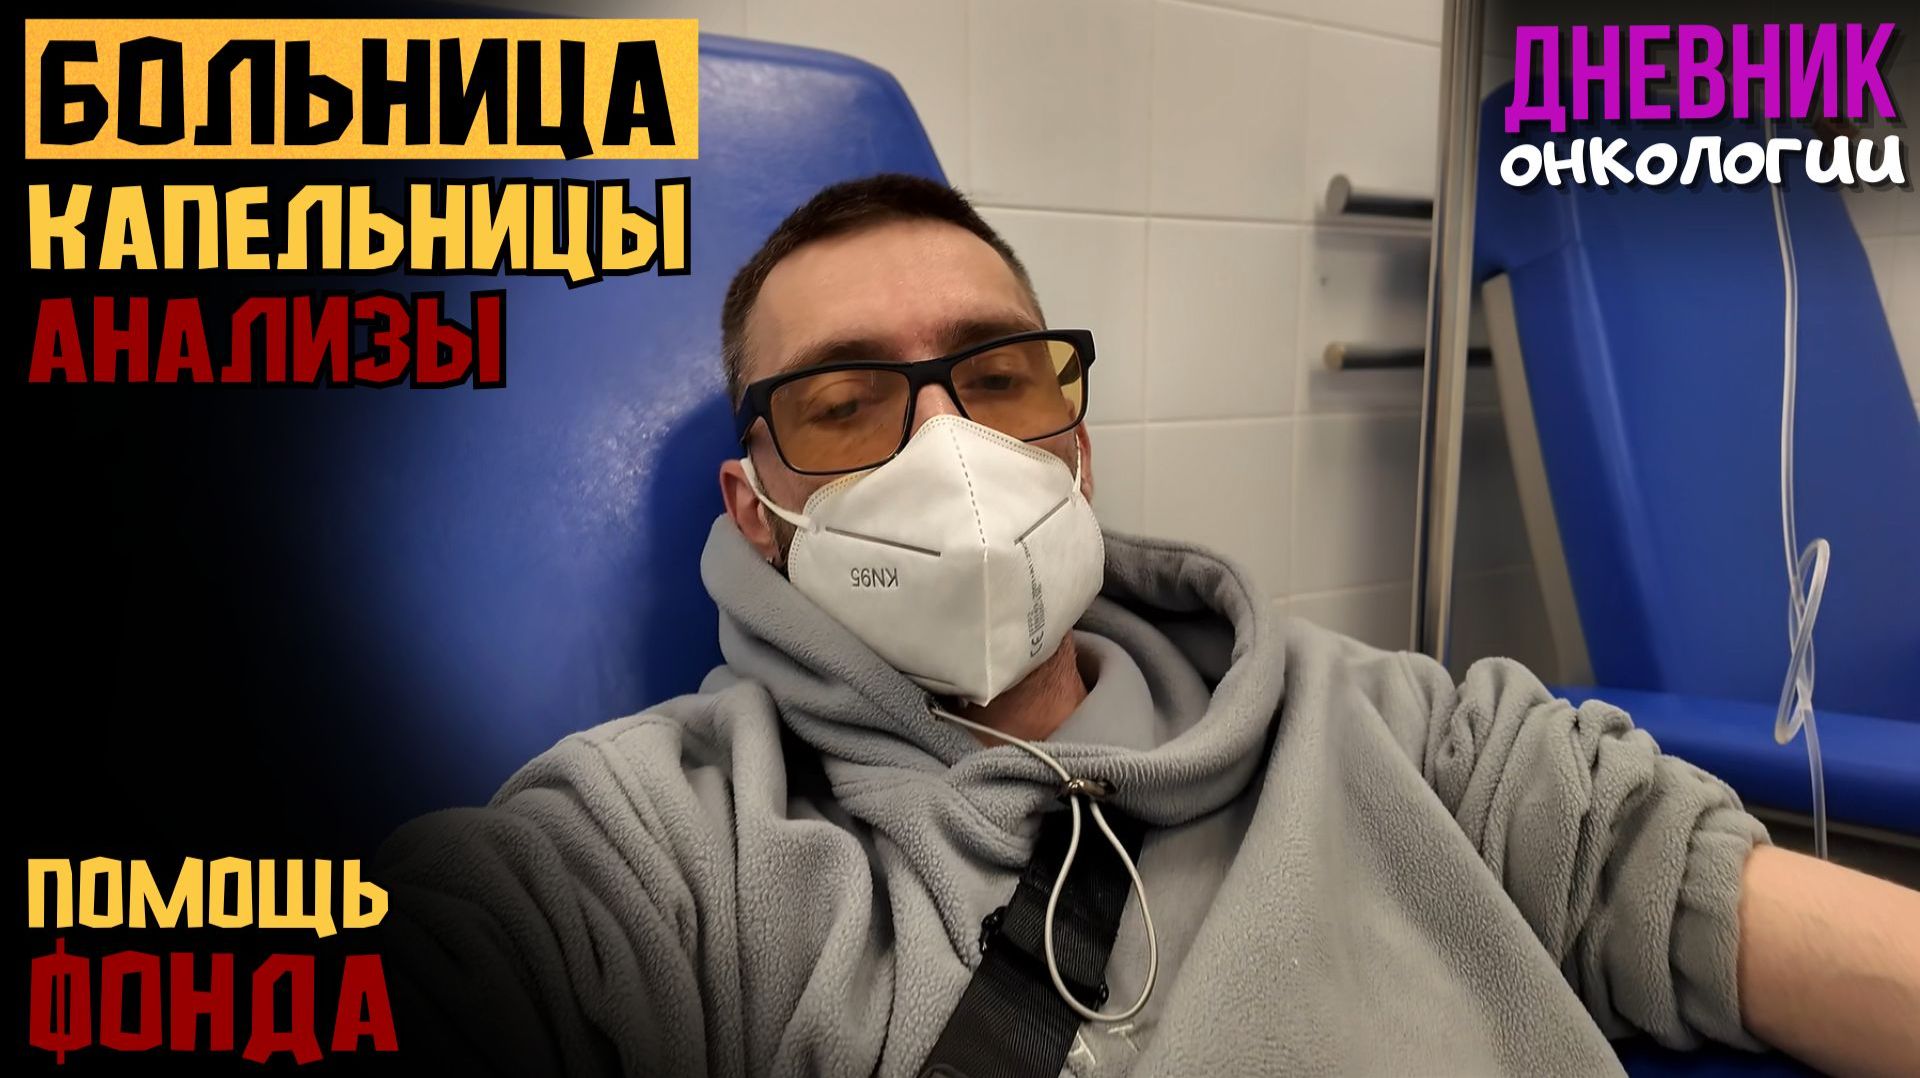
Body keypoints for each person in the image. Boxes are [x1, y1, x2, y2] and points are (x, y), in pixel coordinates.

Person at [373, 174, 1920, 1078]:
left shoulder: (1394, 723)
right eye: (844, 403)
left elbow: (1694, 890)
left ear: (1077, 443)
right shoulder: (670, 845)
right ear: (754, 501)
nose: (946, 449)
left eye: (998, 378)